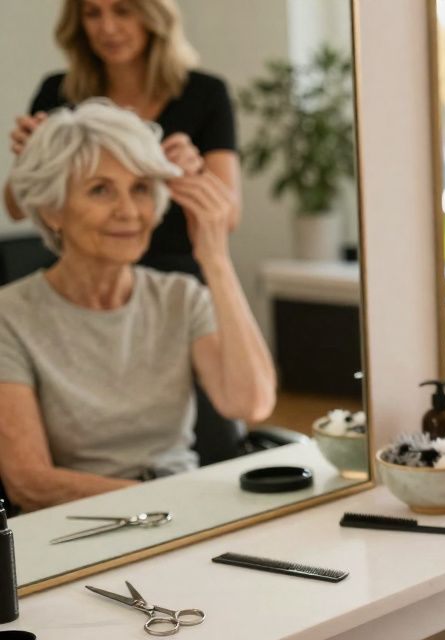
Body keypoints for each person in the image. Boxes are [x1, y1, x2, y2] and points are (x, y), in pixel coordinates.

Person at [0, 100, 274, 511]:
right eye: (100, 189)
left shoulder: (181, 297)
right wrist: (170, 502)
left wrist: (215, 259)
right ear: (52, 208)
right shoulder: (11, 315)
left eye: (141, 189)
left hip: (184, 515)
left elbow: (249, 402)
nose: (128, 211)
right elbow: (30, 483)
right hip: (78, 525)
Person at [4, 0, 240, 278]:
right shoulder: (58, 92)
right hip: (86, 277)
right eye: (93, 13)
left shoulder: (205, 94)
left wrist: (194, 175)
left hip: (176, 277)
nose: (107, 28)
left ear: (153, 16)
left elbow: (228, 218)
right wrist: (34, 159)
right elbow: (14, 208)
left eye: (122, 11)